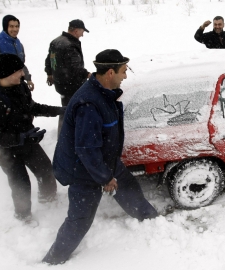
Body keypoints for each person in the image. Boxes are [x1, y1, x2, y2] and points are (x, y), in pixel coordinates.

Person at [42, 49, 158, 265]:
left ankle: (150, 218)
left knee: (128, 186)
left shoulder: (101, 93)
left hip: (105, 161)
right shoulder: (90, 104)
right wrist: (104, 178)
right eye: (124, 71)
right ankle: (53, 260)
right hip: (84, 171)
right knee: (80, 219)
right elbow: (86, 149)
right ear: (111, 72)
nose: (125, 76)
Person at [0, 54, 64, 223]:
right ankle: (23, 216)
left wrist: (62, 111)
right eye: (18, 71)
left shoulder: (20, 87)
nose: (22, 74)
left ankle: (48, 202)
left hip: (26, 139)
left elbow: (32, 108)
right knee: (20, 183)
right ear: (6, 74)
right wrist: (20, 137)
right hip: (4, 149)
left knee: (46, 170)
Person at [45, 19, 91, 136]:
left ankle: (63, 132)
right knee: (74, 109)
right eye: (82, 31)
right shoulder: (70, 45)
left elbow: (49, 59)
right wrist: (88, 74)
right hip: (72, 85)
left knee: (66, 107)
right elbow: (75, 68)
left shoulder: (56, 41)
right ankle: (68, 135)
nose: (83, 35)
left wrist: (49, 73)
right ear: (76, 30)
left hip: (61, 84)